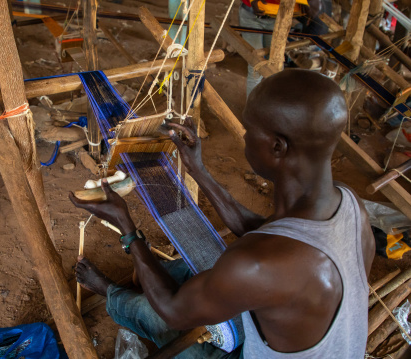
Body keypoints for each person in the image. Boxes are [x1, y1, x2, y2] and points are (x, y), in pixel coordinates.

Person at [69, 69, 375, 358]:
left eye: (249, 129)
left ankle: (111, 294)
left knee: (157, 317)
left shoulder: (258, 265)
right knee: (192, 274)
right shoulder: (350, 205)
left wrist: (127, 227)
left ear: (277, 146)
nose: (243, 137)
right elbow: (267, 231)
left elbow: (173, 312)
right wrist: (198, 170)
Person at [239, 0, 328, 97]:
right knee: (255, 66)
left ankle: (269, 105)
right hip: (252, 17)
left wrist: (305, 3)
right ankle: (251, 110)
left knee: (276, 64)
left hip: (277, 16)